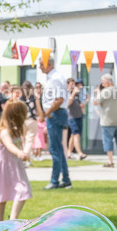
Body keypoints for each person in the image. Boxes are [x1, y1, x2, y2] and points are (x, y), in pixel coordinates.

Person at [0, 99, 31, 221]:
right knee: (1, 195)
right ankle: (0, 222)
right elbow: (9, 145)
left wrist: (22, 152)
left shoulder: (15, 129)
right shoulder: (4, 131)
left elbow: (18, 143)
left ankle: (12, 219)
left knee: (22, 190)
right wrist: (19, 152)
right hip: (3, 166)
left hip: (14, 165)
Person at [37, 58, 71, 189]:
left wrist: (47, 113)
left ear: (49, 64)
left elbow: (59, 99)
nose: (40, 67)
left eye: (41, 64)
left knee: (55, 149)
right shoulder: (54, 77)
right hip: (56, 113)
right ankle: (66, 179)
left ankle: (55, 180)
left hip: (55, 114)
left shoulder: (55, 78)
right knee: (58, 148)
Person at [93, 74, 117, 168]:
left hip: (108, 121)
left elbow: (95, 102)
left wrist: (99, 91)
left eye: (103, 82)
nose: (102, 84)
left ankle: (110, 162)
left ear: (107, 82)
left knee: (108, 141)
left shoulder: (105, 92)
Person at [65, 78, 88, 160]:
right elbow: (68, 103)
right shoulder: (67, 93)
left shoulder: (77, 93)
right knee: (76, 134)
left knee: (73, 135)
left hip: (79, 116)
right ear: (67, 84)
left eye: (73, 84)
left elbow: (84, 100)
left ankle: (68, 153)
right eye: (71, 84)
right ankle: (80, 153)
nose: (73, 86)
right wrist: (73, 94)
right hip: (71, 117)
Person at [32, 82, 46, 160]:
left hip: (43, 118)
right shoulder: (33, 98)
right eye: (36, 87)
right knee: (37, 137)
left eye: (39, 87)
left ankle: (38, 154)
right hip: (36, 118)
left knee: (41, 137)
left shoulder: (44, 97)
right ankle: (37, 154)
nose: (38, 89)